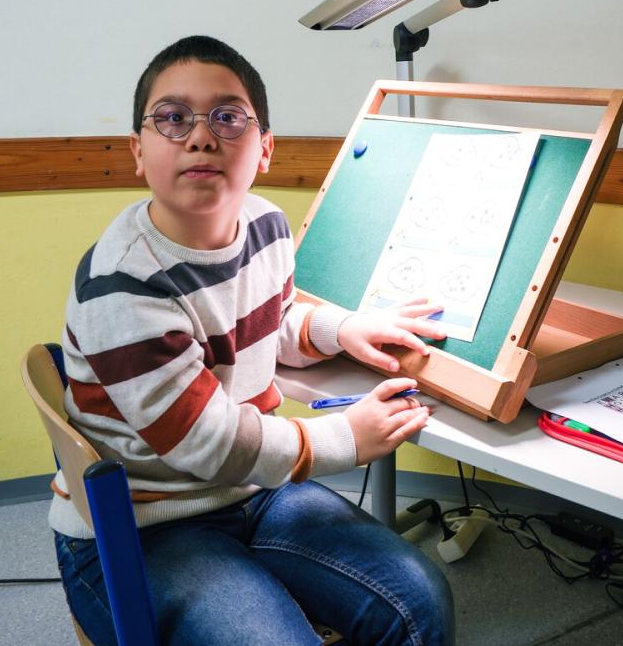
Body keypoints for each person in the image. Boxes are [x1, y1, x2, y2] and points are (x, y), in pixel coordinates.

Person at [50, 35, 456, 646]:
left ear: (264, 148)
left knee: (420, 599)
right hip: (143, 528)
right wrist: (348, 437)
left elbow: (272, 319)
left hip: (251, 493)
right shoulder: (122, 284)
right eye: (172, 118)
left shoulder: (265, 225)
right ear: (138, 151)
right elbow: (206, 442)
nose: (200, 136)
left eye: (228, 116)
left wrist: (340, 328)